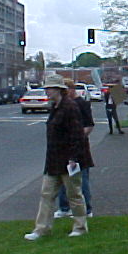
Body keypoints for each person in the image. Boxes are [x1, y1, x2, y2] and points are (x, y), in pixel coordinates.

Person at [24, 74, 88, 241]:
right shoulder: (55, 107)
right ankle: (41, 229)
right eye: (46, 88)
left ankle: (80, 227)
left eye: (50, 88)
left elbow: (77, 135)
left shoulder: (70, 107)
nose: (47, 91)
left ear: (59, 90)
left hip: (69, 160)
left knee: (74, 195)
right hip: (53, 161)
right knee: (46, 194)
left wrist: (73, 158)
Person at [54, 79, 95, 218]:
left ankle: (87, 209)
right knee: (63, 178)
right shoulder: (61, 105)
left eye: (65, 90)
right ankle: (64, 207)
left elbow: (89, 125)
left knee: (81, 179)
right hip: (64, 149)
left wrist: (77, 138)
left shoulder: (82, 104)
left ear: (71, 89)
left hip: (79, 149)